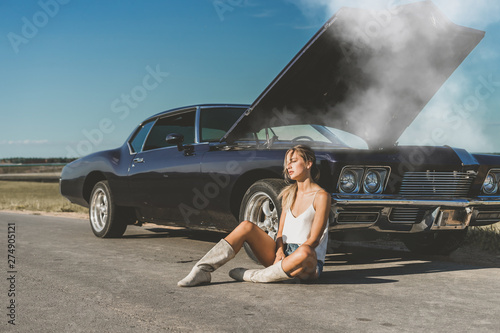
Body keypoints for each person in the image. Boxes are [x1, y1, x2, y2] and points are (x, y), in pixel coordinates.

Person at [177, 145, 330, 287]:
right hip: (281, 256)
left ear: (309, 163)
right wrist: (280, 252)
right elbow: (280, 233)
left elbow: (313, 240)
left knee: (305, 251)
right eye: (287, 163)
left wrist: (290, 258)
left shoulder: (321, 196)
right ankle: (203, 269)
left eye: (294, 161)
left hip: (308, 262)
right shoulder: (288, 194)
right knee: (246, 226)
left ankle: (256, 276)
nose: (288, 166)